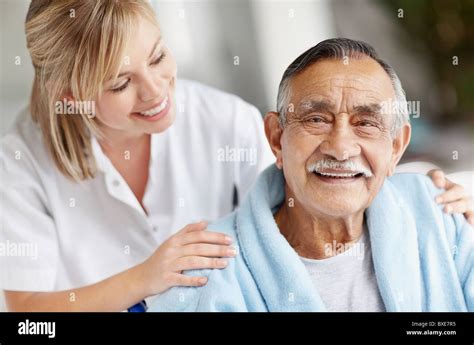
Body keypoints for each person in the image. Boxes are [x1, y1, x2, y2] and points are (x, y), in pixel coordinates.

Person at [1, 1, 471, 312]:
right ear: (69, 93)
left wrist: (419, 189)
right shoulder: (19, 163)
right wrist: (146, 278)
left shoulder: (221, 119)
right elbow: (25, 315)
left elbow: (308, 189)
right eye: (120, 83)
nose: (155, 91)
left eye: (159, 57)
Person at [149, 38, 473, 312]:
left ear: (397, 147)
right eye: (317, 119)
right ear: (276, 138)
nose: (341, 148)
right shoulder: (202, 275)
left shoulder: (442, 219)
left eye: (366, 123)